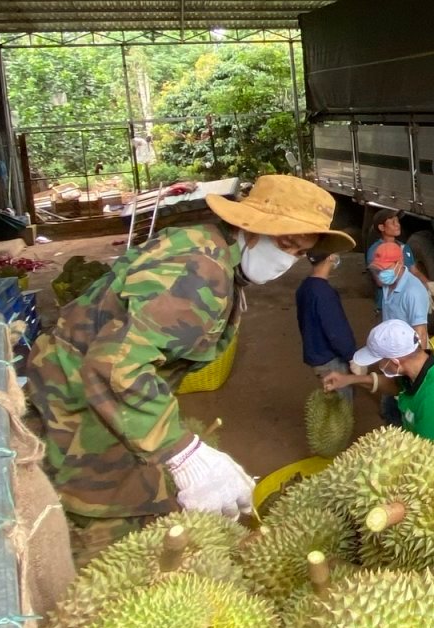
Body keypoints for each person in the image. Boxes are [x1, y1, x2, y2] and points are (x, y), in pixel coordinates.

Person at [28, 173, 353, 540]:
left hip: (85, 388)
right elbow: (114, 364)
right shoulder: (200, 274)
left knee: (149, 495)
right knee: (113, 523)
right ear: (250, 226)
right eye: (284, 243)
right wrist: (182, 452)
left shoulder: (207, 245)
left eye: (298, 252)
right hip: (77, 399)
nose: (285, 261)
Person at [323, 318, 434, 441]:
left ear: (395, 362)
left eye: (379, 361)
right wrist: (348, 380)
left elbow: (430, 457)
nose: (378, 366)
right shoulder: (418, 368)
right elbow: (396, 386)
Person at [295, 247, 358, 403]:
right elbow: (336, 331)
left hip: (316, 354)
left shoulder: (305, 286)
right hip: (330, 358)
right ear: (330, 257)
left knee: (330, 400)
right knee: (340, 407)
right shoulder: (324, 293)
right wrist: (351, 357)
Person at [367, 208, 434, 306]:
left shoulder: (404, 247)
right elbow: (380, 281)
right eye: (392, 222)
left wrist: (428, 284)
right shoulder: (375, 250)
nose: (397, 224)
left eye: (397, 221)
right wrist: (416, 287)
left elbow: (414, 271)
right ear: (382, 227)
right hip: (389, 304)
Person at [371, 240, 432, 349]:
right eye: (379, 269)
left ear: (399, 264)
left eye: (385, 268)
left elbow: (421, 333)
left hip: (408, 351)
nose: (381, 273)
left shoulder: (413, 292)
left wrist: (417, 363)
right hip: (392, 346)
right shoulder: (388, 282)